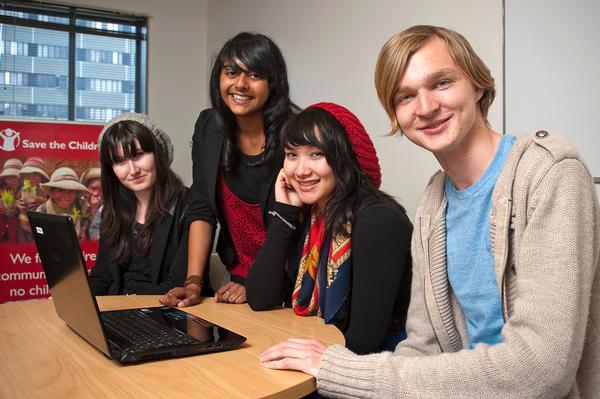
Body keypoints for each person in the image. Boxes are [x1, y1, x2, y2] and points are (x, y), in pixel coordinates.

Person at [259, 25, 600, 398]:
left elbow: (541, 368)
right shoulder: (433, 202)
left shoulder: (549, 173)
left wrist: (339, 370)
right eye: (405, 97)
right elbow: (424, 346)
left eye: (441, 83)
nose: (425, 108)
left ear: (479, 84)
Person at [246, 103, 412, 354]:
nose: (301, 170)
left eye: (316, 154)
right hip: (329, 351)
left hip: (383, 364)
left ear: (344, 157)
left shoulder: (378, 220)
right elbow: (259, 299)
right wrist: (284, 217)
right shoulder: (307, 217)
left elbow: (364, 342)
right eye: (292, 154)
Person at [160, 32, 299, 308]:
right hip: (237, 277)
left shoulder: (295, 136)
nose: (241, 84)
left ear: (273, 82)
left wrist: (258, 286)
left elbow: (303, 227)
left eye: (255, 75)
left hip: (292, 283)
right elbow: (201, 208)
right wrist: (193, 282)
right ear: (219, 78)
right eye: (232, 72)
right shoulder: (210, 128)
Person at [89, 112, 199, 296]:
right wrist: (76, 298)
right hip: (119, 312)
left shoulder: (190, 204)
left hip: (167, 312)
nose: (133, 170)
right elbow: (103, 277)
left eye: (138, 155)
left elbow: (178, 285)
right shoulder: (113, 210)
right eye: (120, 161)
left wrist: (128, 304)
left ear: (158, 152)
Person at [37, 166, 91, 239]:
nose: (66, 196)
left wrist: (83, 229)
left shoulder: (80, 205)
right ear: (52, 192)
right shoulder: (43, 210)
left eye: (71, 191)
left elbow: (86, 218)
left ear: (76, 193)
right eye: (60, 190)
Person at [0, 158, 22, 243]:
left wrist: (15, 206)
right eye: (8, 178)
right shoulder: (4, 190)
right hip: (4, 231)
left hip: (19, 233)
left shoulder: (26, 190)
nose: (11, 181)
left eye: (14, 177)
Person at [79, 167, 103, 239]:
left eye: (101, 190)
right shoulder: (78, 204)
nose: (96, 193)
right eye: (93, 188)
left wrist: (94, 208)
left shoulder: (107, 207)